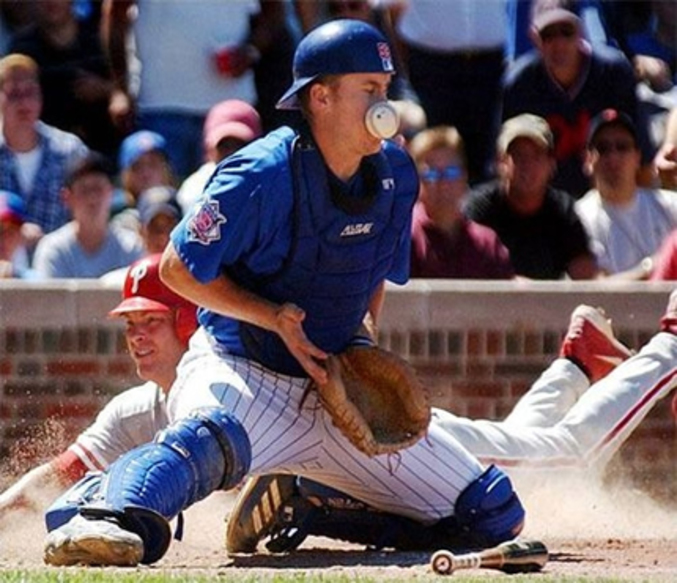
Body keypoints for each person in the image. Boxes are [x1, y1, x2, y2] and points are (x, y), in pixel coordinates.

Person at [42, 19, 526, 567]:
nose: (383, 103)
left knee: (491, 513)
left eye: (386, 88)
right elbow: (178, 269)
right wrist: (272, 316)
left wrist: (361, 340)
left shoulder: (394, 171)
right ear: (321, 97)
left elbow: (370, 274)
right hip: (245, 370)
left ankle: (312, 504)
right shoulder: (261, 171)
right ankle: (99, 512)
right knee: (208, 439)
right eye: (369, 88)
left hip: (330, 383)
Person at [228, 300, 658, 553]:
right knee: (528, 447)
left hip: (420, 454)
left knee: (566, 457)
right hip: (415, 451)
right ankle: (577, 363)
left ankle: (670, 344)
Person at [0, 254, 197, 516]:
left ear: (187, 323)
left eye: (151, 320)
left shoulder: (229, 393)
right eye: (130, 323)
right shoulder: (133, 410)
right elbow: (60, 476)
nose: (137, 336)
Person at [101, 0, 287, 178]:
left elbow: (274, 14)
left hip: (231, 117)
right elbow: (115, 15)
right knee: (161, 204)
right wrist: (120, 88)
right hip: (161, 109)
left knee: (239, 202)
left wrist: (251, 51)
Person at [502, 0, 652, 198]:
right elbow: (505, 165)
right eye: (548, 35)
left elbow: (643, 156)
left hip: (608, 200)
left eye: (566, 31)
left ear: (581, 32)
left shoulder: (613, 72)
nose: (559, 43)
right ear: (534, 38)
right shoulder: (519, 83)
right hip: (546, 205)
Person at [382, 0, 507, 184]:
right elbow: (393, 8)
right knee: (433, 160)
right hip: (430, 66)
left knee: (486, 162)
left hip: (490, 67)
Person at [464, 113, 599, 280]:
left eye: (537, 156)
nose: (527, 165)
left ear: (551, 165)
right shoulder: (478, 209)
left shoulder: (563, 211)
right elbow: (465, 272)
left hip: (549, 304)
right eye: (518, 156)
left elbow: (586, 282)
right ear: (501, 163)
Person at [8, 0, 123, 161]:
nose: (52, 3)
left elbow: (126, 86)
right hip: (48, 151)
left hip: (105, 147)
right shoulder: (23, 48)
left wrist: (104, 89)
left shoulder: (99, 38)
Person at [575, 109, 677, 279]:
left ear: (638, 157)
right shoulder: (579, 218)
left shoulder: (669, 205)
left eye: (622, 147)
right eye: (603, 148)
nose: (613, 157)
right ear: (588, 160)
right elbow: (595, 288)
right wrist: (655, 266)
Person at [0, 53, 88, 238]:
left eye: (30, 92)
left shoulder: (69, 150)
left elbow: (86, 212)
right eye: (14, 94)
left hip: (59, 262)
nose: (24, 102)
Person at [408, 125, 514, 279]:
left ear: (465, 177)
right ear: (416, 181)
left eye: (451, 173)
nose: (443, 183)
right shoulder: (402, 240)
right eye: (431, 174)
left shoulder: (487, 244)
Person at [32, 152, 144, 279]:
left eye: (98, 188)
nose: (92, 199)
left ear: (111, 193)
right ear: (67, 197)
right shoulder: (53, 249)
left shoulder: (131, 247)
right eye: (84, 190)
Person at [176, 100, 262, 215]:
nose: (232, 154)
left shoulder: (271, 183)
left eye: (240, 146)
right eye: (225, 146)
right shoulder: (195, 190)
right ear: (209, 149)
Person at [0, 189, 33, 278]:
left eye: (11, 232)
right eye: (0, 231)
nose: (3, 239)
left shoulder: (32, 281)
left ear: (20, 236)